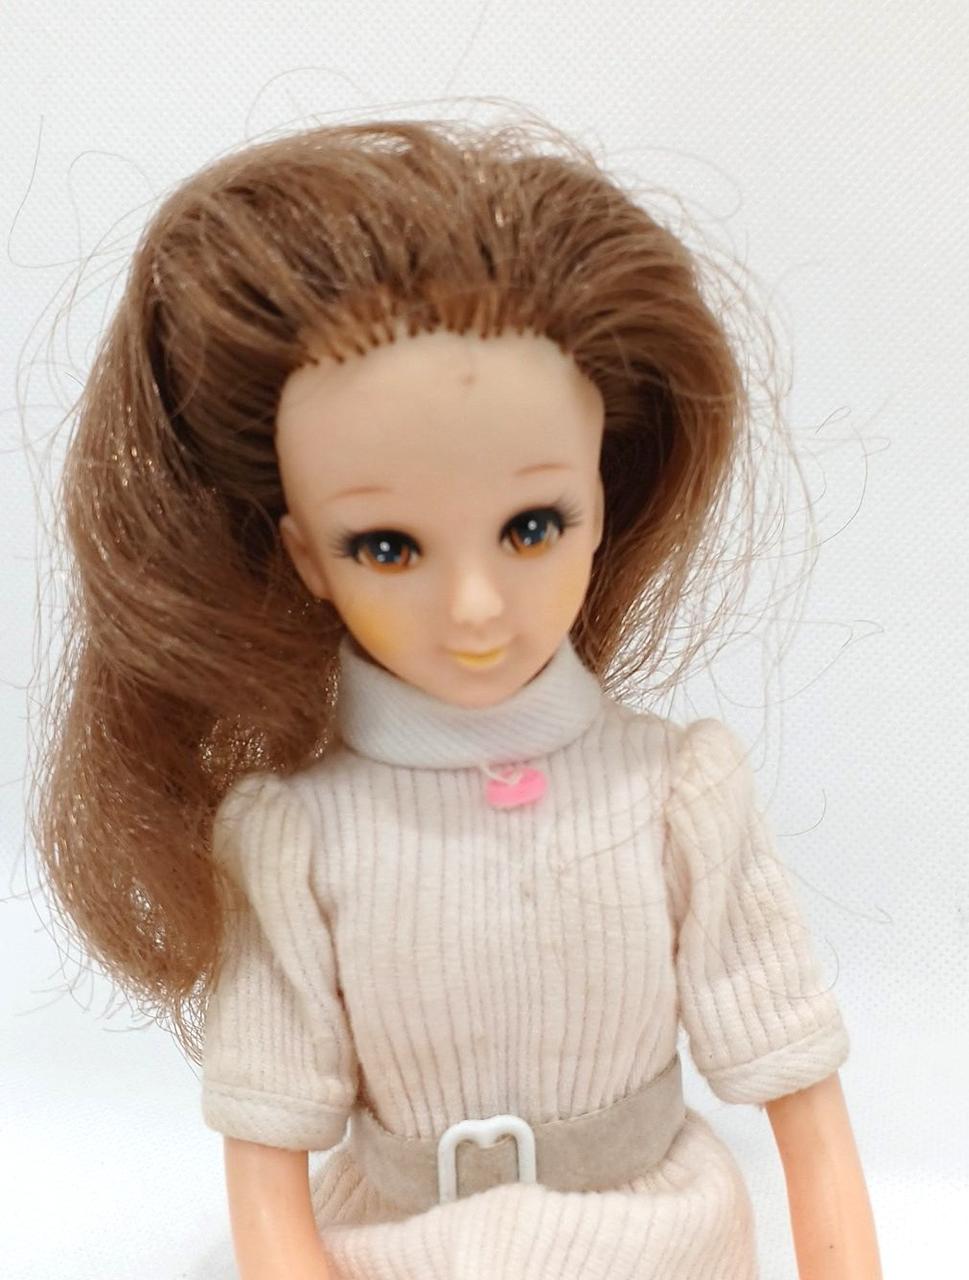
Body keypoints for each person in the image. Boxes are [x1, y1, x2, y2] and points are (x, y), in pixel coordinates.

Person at [32, 118, 880, 1278]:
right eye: (387, 546)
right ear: (305, 554)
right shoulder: (293, 838)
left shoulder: (678, 789)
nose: (476, 607)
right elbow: (267, 1171)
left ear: (602, 499)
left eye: (532, 526)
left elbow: (803, 1097)